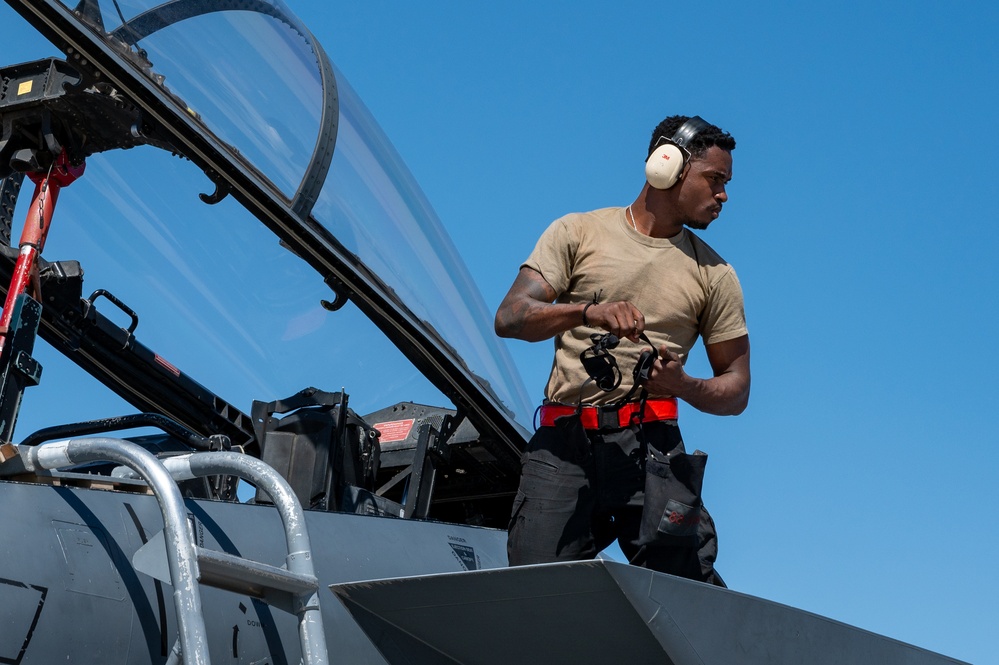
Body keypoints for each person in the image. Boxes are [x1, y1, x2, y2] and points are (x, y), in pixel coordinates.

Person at [494, 115, 750, 584]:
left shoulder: (716, 274)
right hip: (564, 447)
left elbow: (737, 390)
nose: (724, 196)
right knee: (533, 596)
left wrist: (684, 385)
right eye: (715, 180)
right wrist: (586, 312)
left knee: (689, 598)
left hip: (654, 451)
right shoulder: (577, 232)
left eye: (726, 184)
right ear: (667, 166)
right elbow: (510, 317)